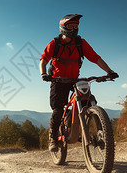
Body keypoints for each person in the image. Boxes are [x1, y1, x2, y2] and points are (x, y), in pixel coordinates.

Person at [39, 14, 118, 152]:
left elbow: (96, 58)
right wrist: (44, 74)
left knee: (88, 99)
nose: (75, 29)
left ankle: (101, 132)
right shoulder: (55, 43)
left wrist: (109, 71)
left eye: (76, 26)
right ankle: (53, 138)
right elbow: (44, 59)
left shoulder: (81, 43)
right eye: (71, 26)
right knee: (58, 109)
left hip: (74, 80)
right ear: (63, 28)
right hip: (58, 80)